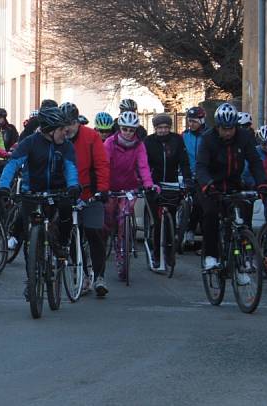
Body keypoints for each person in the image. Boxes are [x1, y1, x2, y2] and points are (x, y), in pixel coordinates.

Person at [0, 107, 80, 299]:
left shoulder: (66, 146)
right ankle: (32, 278)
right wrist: (3, 185)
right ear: (50, 130)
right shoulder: (30, 143)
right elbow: (13, 164)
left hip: (57, 191)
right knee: (30, 240)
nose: (66, 132)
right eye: (62, 129)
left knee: (66, 209)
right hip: (32, 193)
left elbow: (70, 168)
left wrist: (73, 185)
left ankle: (62, 246)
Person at [197, 103, 267, 275]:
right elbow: (201, 167)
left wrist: (262, 183)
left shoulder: (244, 137)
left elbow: (255, 162)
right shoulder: (208, 139)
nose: (228, 132)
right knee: (211, 215)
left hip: (234, 183)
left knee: (242, 218)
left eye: (231, 128)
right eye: (224, 128)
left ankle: (241, 261)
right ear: (218, 126)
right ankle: (211, 256)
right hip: (211, 185)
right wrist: (208, 185)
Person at [61, 102, 111, 296]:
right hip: (67, 193)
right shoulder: (59, 137)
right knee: (70, 234)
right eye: (65, 124)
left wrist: (103, 189)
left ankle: (99, 276)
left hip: (90, 193)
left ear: (77, 122)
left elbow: (101, 164)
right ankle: (79, 273)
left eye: (72, 123)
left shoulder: (91, 137)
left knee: (94, 233)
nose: (68, 128)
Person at [104, 111, 157, 281]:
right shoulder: (110, 143)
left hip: (130, 187)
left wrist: (148, 185)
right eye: (125, 129)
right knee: (109, 217)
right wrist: (103, 187)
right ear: (120, 128)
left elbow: (143, 167)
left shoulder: (139, 145)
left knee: (123, 220)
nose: (128, 133)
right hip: (111, 187)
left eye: (131, 130)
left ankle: (122, 255)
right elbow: (104, 166)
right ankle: (108, 240)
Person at [144, 113, 191, 268]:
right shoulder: (148, 142)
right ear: (155, 128)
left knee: (170, 219)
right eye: (159, 128)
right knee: (158, 222)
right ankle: (157, 255)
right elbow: (143, 164)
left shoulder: (177, 140)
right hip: (154, 184)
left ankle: (170, 254)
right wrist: (146, 182)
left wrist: (187, 179)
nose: (163, 131)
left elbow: (184, 162)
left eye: (165, 127)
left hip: (171, 183)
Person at [182, 106, 207, 248]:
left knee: (199, 203)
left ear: (202, 121)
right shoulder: (184, 136)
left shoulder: (208, 136)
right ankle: (185, 229)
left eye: (194, 121)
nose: (191, 124)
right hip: (188, 173)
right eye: (189, 121)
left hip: (203, 174)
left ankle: (192, 230)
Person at [244, 124, 267, 226]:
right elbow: (246, 173)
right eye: (264, 144)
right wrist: (255, 184)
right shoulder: (255, 152)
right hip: (261, 187)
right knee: (266, 213)